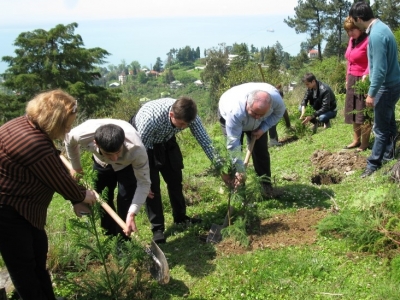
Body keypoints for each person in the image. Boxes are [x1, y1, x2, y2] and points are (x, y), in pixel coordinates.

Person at [0, 90, 98, 300]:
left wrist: (62, 162)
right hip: (8, 212)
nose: (69, 129)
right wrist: (82, 195)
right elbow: (57, 179)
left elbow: (49, 156)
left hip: (21, 209)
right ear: (54, 121)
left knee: (37, 256)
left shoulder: (21, 124)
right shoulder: (33, 143)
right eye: (66, 125)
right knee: (24, 268)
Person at [130, 96, 216, 244]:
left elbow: (205, 142)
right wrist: (143, 180)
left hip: (167, 139)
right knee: (152, 187)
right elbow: (141, 154)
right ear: (171, 115)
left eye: (186, 125)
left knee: (175, 179)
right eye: (181, 124)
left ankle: (180, 217)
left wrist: (219, 165)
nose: (183, 128)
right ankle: (157, 228)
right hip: (144, 145)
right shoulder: (150, 121)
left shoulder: (189, 116)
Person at [64, 119, 151, 238]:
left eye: (118, 152)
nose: (114, 158)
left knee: (125, 199)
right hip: (101, 163)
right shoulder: (81, 134)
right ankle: (109, 235)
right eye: (109, 154)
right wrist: (76, 166)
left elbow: (144, 183)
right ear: (96, 143)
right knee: (101, 198)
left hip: (126, 165)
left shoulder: (137, 149)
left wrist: (132, 213)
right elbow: (69, 140)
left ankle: (124, 241)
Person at [349, 1, 400, 178]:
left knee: (379, 128)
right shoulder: (382, 28)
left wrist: (371, 94)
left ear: (359, 18)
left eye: (355, 21)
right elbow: (378, 62)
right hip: (393, 84)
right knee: (389, 124)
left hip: (386, 87)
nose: (355, 24)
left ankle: (373, 165)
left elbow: (380, 70)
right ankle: (389, 155)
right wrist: (368, 72)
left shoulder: (376, 35)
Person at [218, 82, 286, 196]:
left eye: (262, 114)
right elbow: (233, 144)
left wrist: (263, 128)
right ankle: (239, 193)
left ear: (269, 107)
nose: (258, 117)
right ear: (247, 105)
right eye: (254, 113)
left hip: (258, 124)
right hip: (231, 116)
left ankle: (266, 187)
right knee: (234, 155)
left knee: (261, 152)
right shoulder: (234, 111)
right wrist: (240, 169)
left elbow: (278, 114)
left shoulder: (276, 101)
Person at [343, 16, 371, 152]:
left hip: (363, 79)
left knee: (363, 112)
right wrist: (347, 77)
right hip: (352, 78)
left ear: (359, 28)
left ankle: (365, 143)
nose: (350, 33)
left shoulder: (368, 40)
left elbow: (372, 61)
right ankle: (356, 140)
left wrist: (366, 75)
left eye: (353, 29)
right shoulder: (351, 41)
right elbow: (349, 60)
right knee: (353, 111)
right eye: (348, 31)